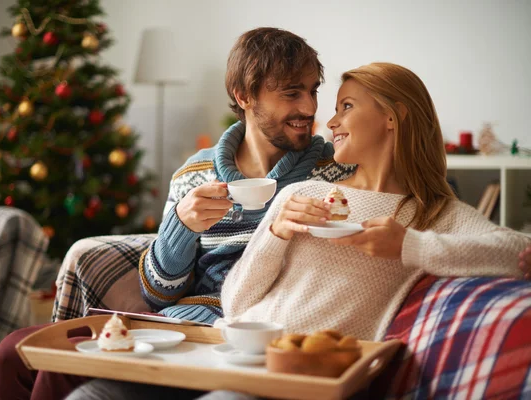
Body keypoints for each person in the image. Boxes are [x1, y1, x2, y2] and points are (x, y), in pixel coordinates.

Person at [0, 27, 355, 400]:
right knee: (11, 354)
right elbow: (157, 295)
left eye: (312, 91)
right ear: (244, 96)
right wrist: (181, 226)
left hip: (242, 334)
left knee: (57, 372)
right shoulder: (193, 175)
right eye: (292, 93)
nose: (309, 108)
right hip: (176, 322)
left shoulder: (334, 171)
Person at [220, 62, 531, 341]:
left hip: (325, 374)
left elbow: (515, 250)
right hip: (241, 350)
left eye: (347, 106)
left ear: (393, 116)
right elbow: (235, 304)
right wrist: (275, 235)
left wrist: (409, 246)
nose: (331, 122)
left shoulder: (433, 214)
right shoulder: (301, 196)